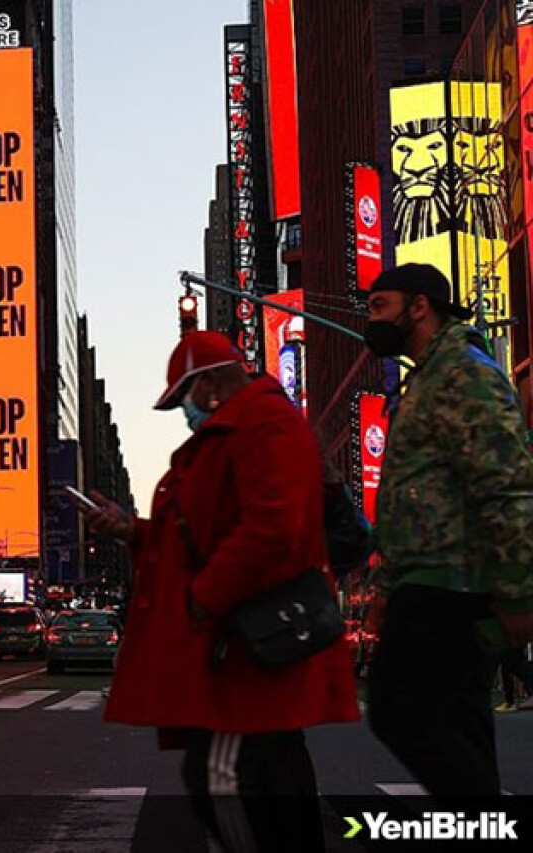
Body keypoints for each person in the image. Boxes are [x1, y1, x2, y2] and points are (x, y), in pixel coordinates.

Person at [85, 332, 358, 853]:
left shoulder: (262, 424)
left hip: (245, 648)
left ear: (207, 384)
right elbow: (205, 530)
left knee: (222, 776)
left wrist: (203, 596)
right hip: (244, 641)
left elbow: (273, 525)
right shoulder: (247, 426)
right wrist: (133, 531)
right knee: (267, 778)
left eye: (182, 399)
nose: (183, 413)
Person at [363, 264, 533, 797]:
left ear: (419, 306)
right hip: (433, 583)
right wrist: (386, 590)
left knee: (399, 711)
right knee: (461, 726)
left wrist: (518, 591)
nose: (372, 321)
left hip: (449, 586)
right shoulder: (431, 376)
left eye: (379, 306)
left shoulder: (463, 371)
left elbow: (504, 484)